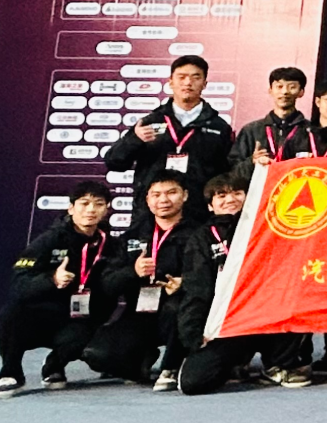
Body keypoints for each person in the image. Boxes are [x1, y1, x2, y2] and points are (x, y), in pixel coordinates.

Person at [175, 174, 311, 393]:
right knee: (194, 383)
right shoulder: (201, 238)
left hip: (267, 317)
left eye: (237, 193)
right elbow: (196, 290)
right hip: (227, 324)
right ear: (210, 205)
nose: (230, 199)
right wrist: (194, 335)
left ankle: (279, 363)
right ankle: (234, 362)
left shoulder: (270, 229)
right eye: (221, 195)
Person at [0, 181, 114, 398]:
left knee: (95, 332)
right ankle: (10, 372)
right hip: (42, 312)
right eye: (84, 203)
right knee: (12, 312)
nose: (91, 210)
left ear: (106, 209)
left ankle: (55, 364)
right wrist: (51, 279)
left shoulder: (109, 244)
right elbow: (19, 285)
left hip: (78, 316)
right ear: (71, 208)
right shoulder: (49, 240)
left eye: (98, 204)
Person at [82, 173, 201, 390]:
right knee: (98, 355)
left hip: (181, 310)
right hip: (139, 311)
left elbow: (215, 277)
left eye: (171, 193)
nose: (163, 200)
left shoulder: (200, 232)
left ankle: (172, 367)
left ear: (184, 195)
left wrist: (185, 283)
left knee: (178, 308)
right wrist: (133, 272)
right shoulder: (131, 236)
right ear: (147, 199)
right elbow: (108, 284)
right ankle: (141, 359)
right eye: (156, 194)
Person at [102, 54, 234, 209]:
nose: (188, 83)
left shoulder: (219, 127)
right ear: (171, 82)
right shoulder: (150, 122)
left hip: (198, 212)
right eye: (181, 77)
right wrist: (134, 140)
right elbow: (114, 163)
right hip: (152, 212)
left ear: (204, 84)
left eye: (195, 77)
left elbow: (227, 174)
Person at [231, 66, 314, 173]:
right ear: (270, 90)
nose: (285, 92)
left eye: (292, 87)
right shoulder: (252, 130)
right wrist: (251, 162)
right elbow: (232, 169)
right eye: (279, 86)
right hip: (261, 183)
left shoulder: (312, 131)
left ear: (301, 92)